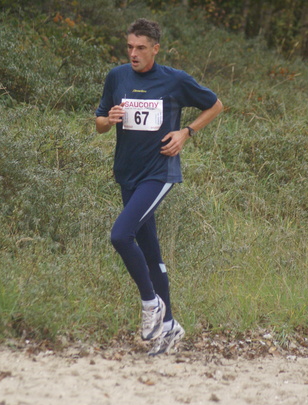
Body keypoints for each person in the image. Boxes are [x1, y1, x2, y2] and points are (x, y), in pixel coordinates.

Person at [95, 18, 223, 356]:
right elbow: (98, 124)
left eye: (140, 48)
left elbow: (215, 105)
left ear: (155, 49)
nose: (133, 54)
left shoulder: (175, 80)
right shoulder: (117, 77)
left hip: (159, 173)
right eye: (129, 47)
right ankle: (170, 327)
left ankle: (151, 305)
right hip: (127, 173)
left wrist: (187, 132)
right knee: (151, 252)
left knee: (121, 235)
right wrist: (109, 120)